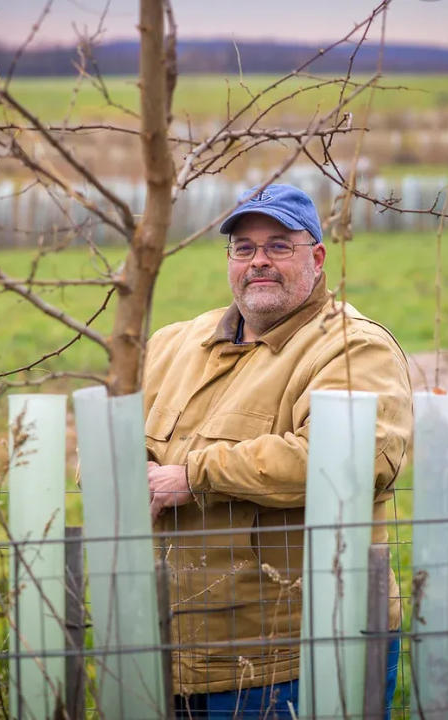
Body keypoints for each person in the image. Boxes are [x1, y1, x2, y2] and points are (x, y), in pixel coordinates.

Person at [143, 183, 413, 719]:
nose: (258, 261)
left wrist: (193, 475)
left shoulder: (354, 348)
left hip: (294, 655)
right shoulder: (175, 343)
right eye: (244, 248)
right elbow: (102, 434)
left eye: (278, 245)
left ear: (316, 258)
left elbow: (348, 462)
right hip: (167, 650)